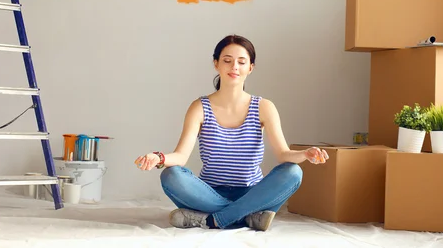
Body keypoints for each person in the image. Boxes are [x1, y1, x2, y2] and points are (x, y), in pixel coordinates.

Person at [134, 34, 329, 231]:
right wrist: (157, 158)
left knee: (293, 172)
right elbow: (181, 157)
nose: (234, 67)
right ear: (216, 64)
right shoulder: (199, 107)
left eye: (241, 62)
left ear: (250, 68)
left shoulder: (264, 107)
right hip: (208, 194)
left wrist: (305, 154)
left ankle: (210, 219)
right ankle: (247, 216)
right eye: (227, 61)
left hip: (253, 194)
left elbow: (283, 154)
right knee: (171, 176)